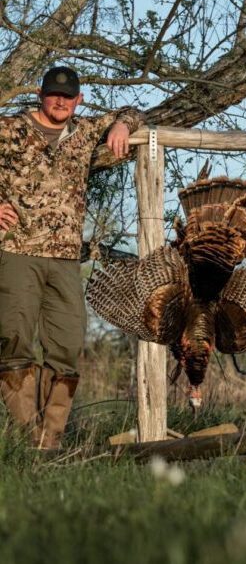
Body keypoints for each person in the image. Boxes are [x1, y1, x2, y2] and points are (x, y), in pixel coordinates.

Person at [0, 65, 141, 449]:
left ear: (78, 100)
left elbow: (133, 110)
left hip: (65, 258)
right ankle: (28, 439)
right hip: (16, 251)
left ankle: (50, 441)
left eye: (67, 96)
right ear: (40, 96)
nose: (59, 101)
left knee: (67, 344)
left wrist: (122, 127)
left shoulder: (84, 131)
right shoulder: (9, 129)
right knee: (13, 340)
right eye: (52, 94)